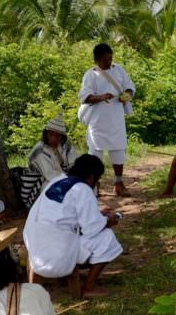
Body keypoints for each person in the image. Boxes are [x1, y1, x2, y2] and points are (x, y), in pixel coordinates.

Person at [24, 155, 122, 298]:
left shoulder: (56, 181)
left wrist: (98, 215)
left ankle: (66, 274)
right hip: (58, 258)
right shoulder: (83, 189)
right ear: (91, 177)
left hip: (36, 251)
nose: (97, 183)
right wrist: (108, 220)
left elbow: (62, 215)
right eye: (97, 179)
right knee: (107, 238)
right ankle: (89, 287)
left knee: (64, 232)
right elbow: (91, 229)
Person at [77, 43, 135, 197]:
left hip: (116, 118)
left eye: (110, 58)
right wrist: (101, 97)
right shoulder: (90, 75)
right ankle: (94, 187)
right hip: (98, 120)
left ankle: (118, 183)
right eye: (105, 60)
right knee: (95, 154)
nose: (108, 62)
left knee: (118, 150)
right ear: (97, 60)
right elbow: (84, 97)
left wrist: (126, 96)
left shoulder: (119, 70)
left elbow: (130, 87)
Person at [23, 114, 80, 207]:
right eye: (51, 135)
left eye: (57, 136)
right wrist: (70, 181)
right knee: (52, 187)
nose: (53, 139)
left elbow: (75, 163)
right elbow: (51, 175)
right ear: (46, 134)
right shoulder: (39, 150)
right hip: (40, 185)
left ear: (62, 137)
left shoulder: (66, 145)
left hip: (65, 178)